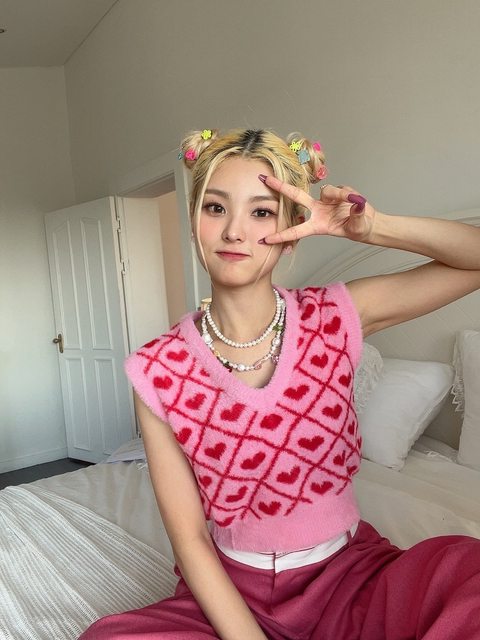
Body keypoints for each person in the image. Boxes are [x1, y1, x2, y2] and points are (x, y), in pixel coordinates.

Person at [80, 128, 480, 640]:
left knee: (468, 574)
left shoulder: (334, 315)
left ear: (292, 227)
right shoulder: (157, 368)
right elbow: (190, 539)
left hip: (351, 578)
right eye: (216, 208)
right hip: (233, 593)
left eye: (262, 212)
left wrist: (373, 228)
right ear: (194, 220)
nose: (234, 231)